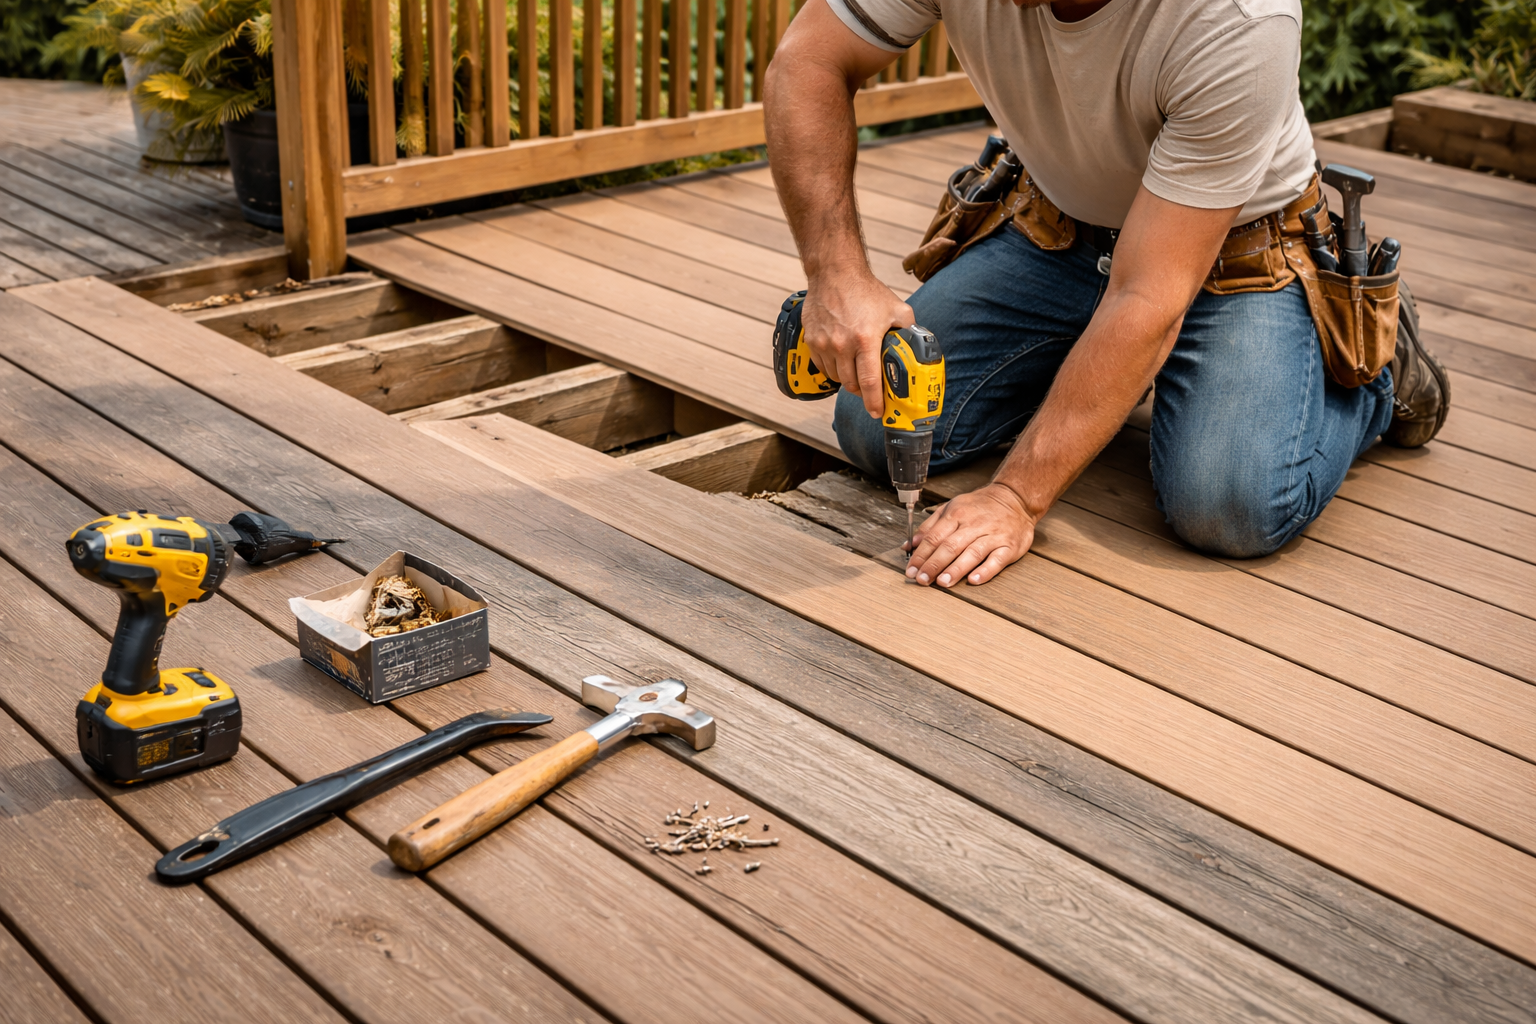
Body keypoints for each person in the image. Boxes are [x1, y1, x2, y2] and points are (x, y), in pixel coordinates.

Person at [762, 0, 1448, 589]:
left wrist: (1016, 497)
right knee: (877, 425)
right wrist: (837, 277)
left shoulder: (1238, 18)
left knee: (1227, 506)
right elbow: (808, 62)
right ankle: (1112, 372)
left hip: (1240, 259)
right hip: (1057, 228)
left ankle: (1376, 365)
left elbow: (1147, 293)